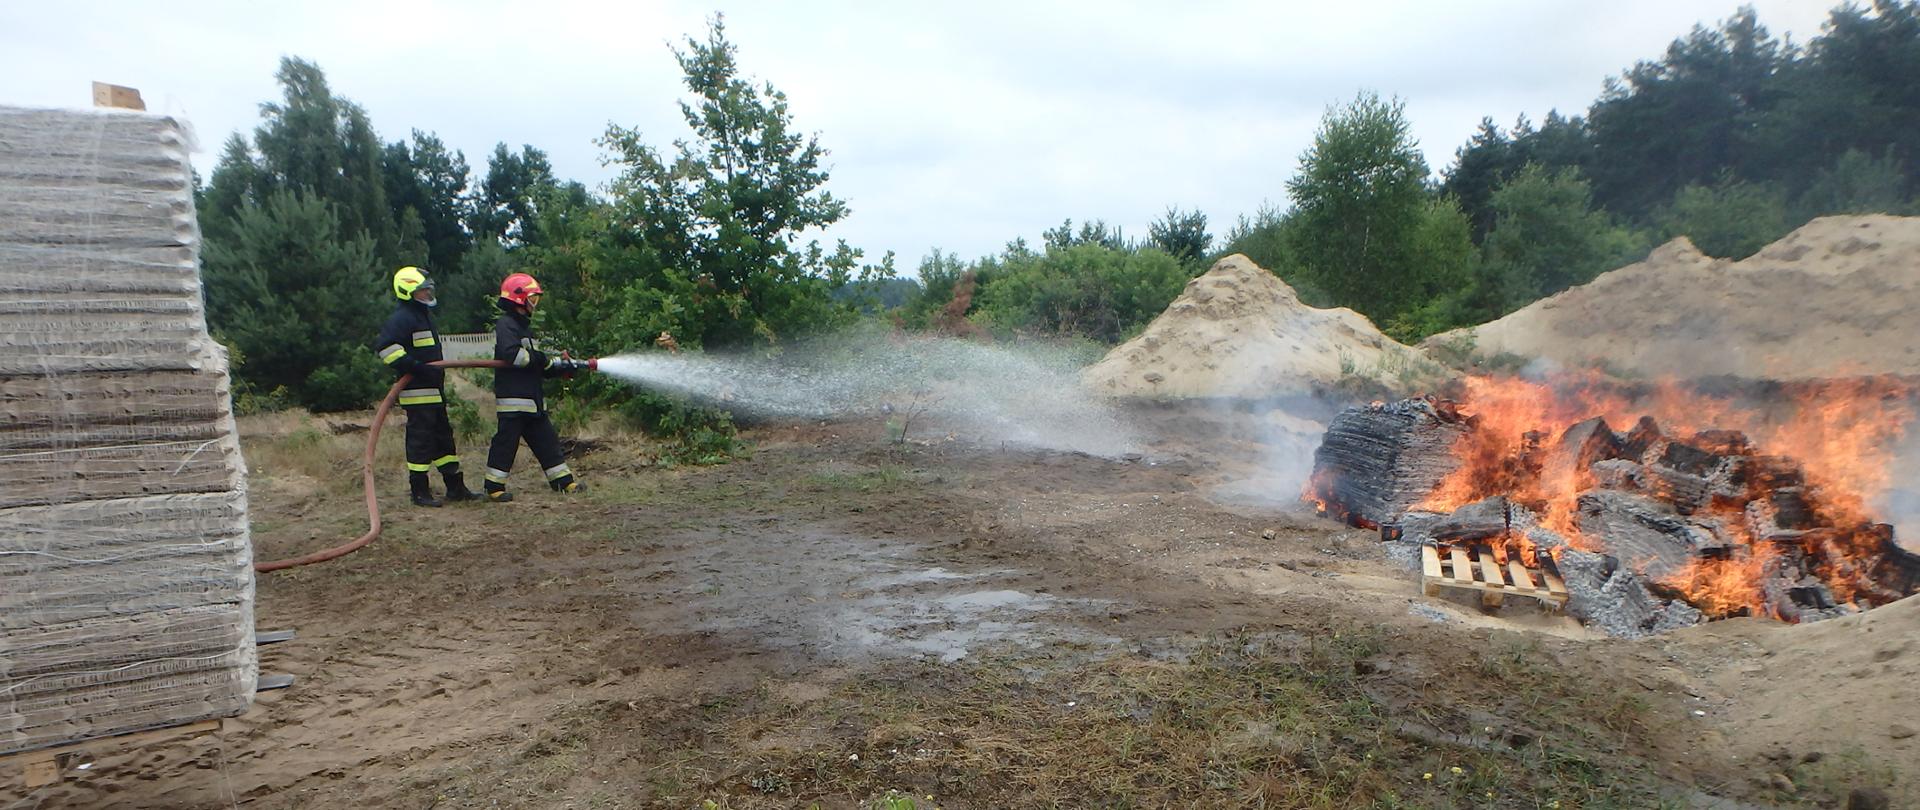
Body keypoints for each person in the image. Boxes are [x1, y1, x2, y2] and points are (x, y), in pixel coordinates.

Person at [372, 266, 474, 507]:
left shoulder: (423, 317)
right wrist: (416, 367)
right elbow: (386, 349)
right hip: (417, 393)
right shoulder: (402, 318)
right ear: (407, 292)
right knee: (420, 442)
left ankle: (455, 488)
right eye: (422, 291)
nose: (428, 294)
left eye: (429, 289)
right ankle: (419, 491)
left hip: (434, 391)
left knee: (444, 441)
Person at [483, 272, 589, 502]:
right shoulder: (506, 325)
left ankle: (563, 482)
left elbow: (536, 364)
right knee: (505, 445)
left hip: (533, 402)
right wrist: (541, 359)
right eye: (532, 298)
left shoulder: (525, 328)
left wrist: (560, 368)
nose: (535, 303)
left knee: (548, 442)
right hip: (514, 402)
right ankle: (494, 487)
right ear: (518, 298)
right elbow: (514, 356)